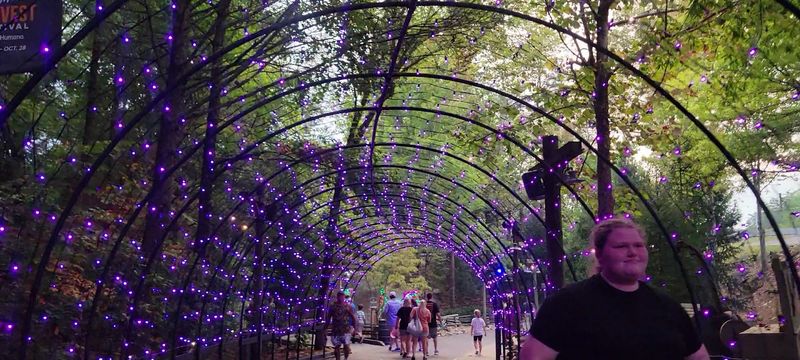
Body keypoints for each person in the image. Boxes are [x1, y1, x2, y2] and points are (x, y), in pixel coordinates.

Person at [519, 218, 711, 360]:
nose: (633, 252)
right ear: (600, 255)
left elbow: (699, 356)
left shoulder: (666, 306)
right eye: (621, 246)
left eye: (638, 245)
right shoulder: (567, 304)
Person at [327, 291, 357, 360]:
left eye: (342, 296)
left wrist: (354, 328)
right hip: (336, 330)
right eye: (340, 296)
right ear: (337, 297)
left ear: (344, 297)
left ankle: (345, 358)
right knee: (337, 346)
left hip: (346, 330)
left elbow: (353, 317)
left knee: (346, 346)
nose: (341, 298)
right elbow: (328, 318)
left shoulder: (347, 306)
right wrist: (325, 328)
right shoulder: (332, 306)